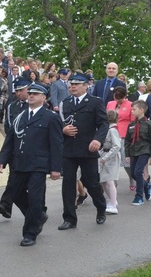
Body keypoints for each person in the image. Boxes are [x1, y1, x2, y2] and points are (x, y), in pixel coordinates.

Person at [0, 83, 62, 246]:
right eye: (30, 93)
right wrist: (2, 159)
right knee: (15, 194)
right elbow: (10, 139)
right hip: (20, 162)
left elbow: (56, 144)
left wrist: (56, 168)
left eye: (36, 94)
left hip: (38, 164)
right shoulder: (21, 116)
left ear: (43, 97)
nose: (31, 96)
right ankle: (38, 216)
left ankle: (30, 233)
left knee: (35, 198)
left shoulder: (51, 117)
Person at [58, 72, 108, 230]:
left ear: (86, 85)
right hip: (69, 150)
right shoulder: (65, 103)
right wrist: (63, 130)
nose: (72, 86)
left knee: (91, 183)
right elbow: (59, 124)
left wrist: (98, 140)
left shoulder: (95, 102)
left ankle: (101, 207)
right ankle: (69, 218)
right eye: (71, 84)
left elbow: (103, 124)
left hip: (88, 149)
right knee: (68, 185)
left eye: (76, 84)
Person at [0, 78, 31, 219]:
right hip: (15, 150)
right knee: (14, 179)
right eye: (17, 91)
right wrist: (4, 156)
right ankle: (6, 205)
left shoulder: (35, 105)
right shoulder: (12, 106)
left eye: (21, 90)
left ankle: (38, 210)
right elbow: (9, 130)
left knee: (31, 183)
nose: (19, 93)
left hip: (31, 151)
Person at [124, 100, 151, 205]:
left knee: (138, 172)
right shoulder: (131, 125)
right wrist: (127, 154)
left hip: (144, 150)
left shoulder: (148, 124)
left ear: (142, 110)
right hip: (134, 151)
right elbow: (127, 141)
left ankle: (139, 197)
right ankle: (146, 185)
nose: (132, 111)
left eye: (134, 109)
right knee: (134, 174)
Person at [106, 86, 136, 192]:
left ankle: (132, 178)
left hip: (124, 134)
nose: (118, 100)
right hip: (110, 133)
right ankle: (112, 182)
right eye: (116, 98)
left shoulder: (130, 105)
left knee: (125, 161)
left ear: (125, 96)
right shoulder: (110, 104)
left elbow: (133, 122)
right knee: (110, 159)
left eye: (120, 98)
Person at [100, 110, 121, 214]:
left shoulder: (112, 130)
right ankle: (112, 200)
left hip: (111, 157)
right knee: (103, 180)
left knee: (110, 180)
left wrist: (106, 157)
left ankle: (113, 205)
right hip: (104, 155)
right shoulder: (107, 129)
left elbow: (116, 146)